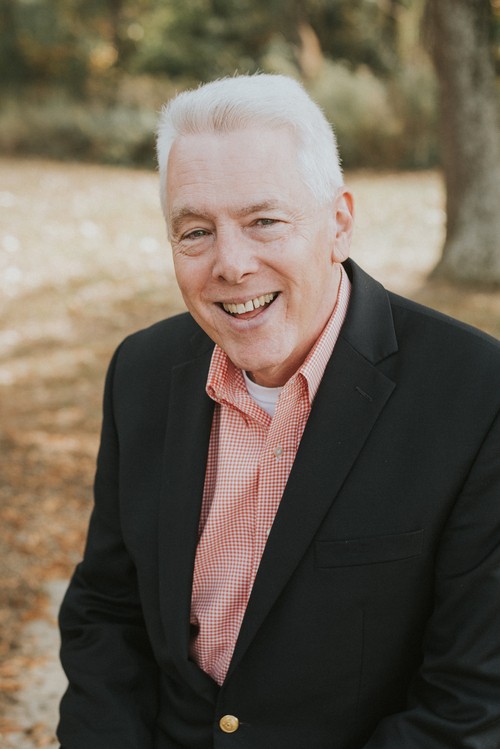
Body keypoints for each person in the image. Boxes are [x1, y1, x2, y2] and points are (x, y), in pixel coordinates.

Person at [57, 74, 500, 749]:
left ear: (339, 223)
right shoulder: (140, 373)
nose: (231, 264)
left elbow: (471, 700)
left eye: (264, 221)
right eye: (196, 231)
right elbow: (107, 611)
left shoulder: (476, 394)